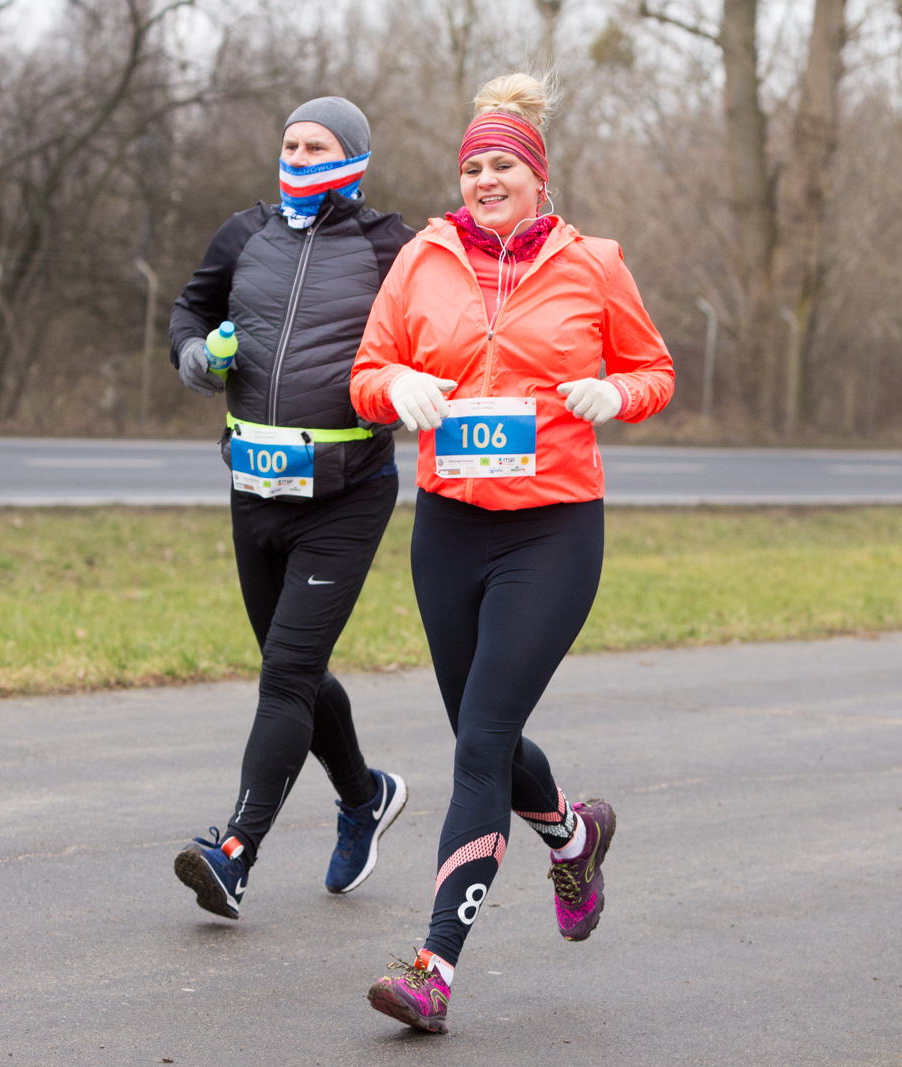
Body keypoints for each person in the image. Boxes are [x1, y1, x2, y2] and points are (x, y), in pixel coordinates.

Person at [348, 72, 674, 1033]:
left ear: (536, 176)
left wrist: (619, 397)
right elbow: (367, 373)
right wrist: (395, 383)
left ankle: (432, 968)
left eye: (503, 166)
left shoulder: (594, 262)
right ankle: (572, 837)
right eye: (473, 167)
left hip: (552, 527)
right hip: (450, 527)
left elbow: (652, 369)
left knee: (482, 742)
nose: (486, 179)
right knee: (477, 732)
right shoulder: (420, 258)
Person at [167, 96, 417, 919]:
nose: (299, 155)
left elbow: (438, 332)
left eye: (317, 145)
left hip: (346, 494)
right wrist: (201, 356)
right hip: (253, 485)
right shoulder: (245, 233)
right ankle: (364, 794)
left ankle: (234, 851)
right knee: (293, 666)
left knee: (284, 674)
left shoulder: (390, 245)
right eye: (290, 143)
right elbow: (189, 312)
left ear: (352, 156)